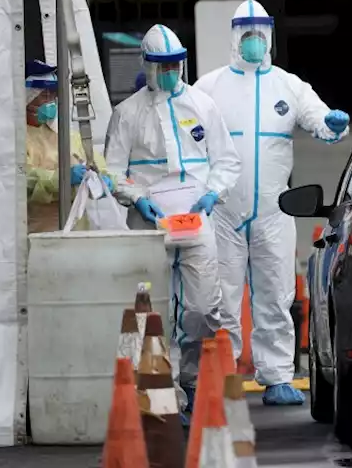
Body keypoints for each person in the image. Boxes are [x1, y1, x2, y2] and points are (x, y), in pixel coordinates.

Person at [194, 0, 349, 406]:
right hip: (224, 210)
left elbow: (318, 118)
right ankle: (222, 374)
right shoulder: (209, 88)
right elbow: (183, 126)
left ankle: (278, 375)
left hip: (273, 210)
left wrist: (332, 123)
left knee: (277, 294)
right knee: (221, 297)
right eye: (246, 34)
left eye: (259, 34)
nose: (253, 42)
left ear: (270, 36)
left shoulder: (288, 85)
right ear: (234, 37)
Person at [103, 24, 242, 422]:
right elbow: (113, 171)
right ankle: (161, 394)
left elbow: (226, 160)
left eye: (174, 65)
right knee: (152, 309)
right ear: (147, 65)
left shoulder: (202, 105)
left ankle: (193, 380)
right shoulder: (127, 114)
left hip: (196, 218)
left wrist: (213, 192)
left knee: (201, 307)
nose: (169, 72)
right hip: (151, 223)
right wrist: (137, 199)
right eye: (161, 66)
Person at [24, 59, 110, 233]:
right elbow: (22, 182)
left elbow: (95, 161)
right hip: (39, 230)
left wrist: (106, 180)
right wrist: (61, 179)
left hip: (78, 230)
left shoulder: (65, 133)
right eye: (44, 94)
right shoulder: (16, 137)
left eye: (53, 94)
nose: (51, 101)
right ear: (28, 96)